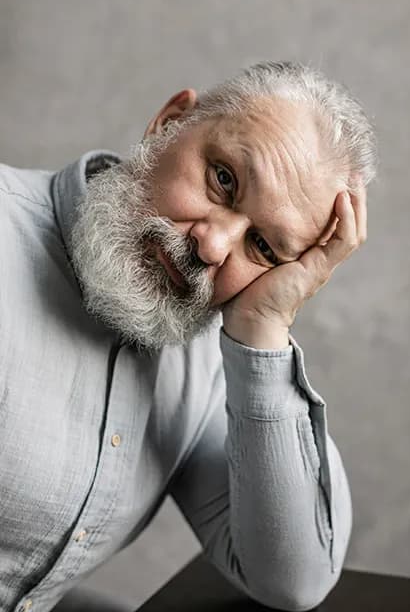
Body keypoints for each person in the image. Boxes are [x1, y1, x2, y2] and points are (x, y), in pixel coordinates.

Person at [0, 62, 376, 612]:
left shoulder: (204, 360)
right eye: (223, 180)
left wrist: (264, 327)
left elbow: (293, 578)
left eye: (265, 249)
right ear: (169, 122)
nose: (212, 246)